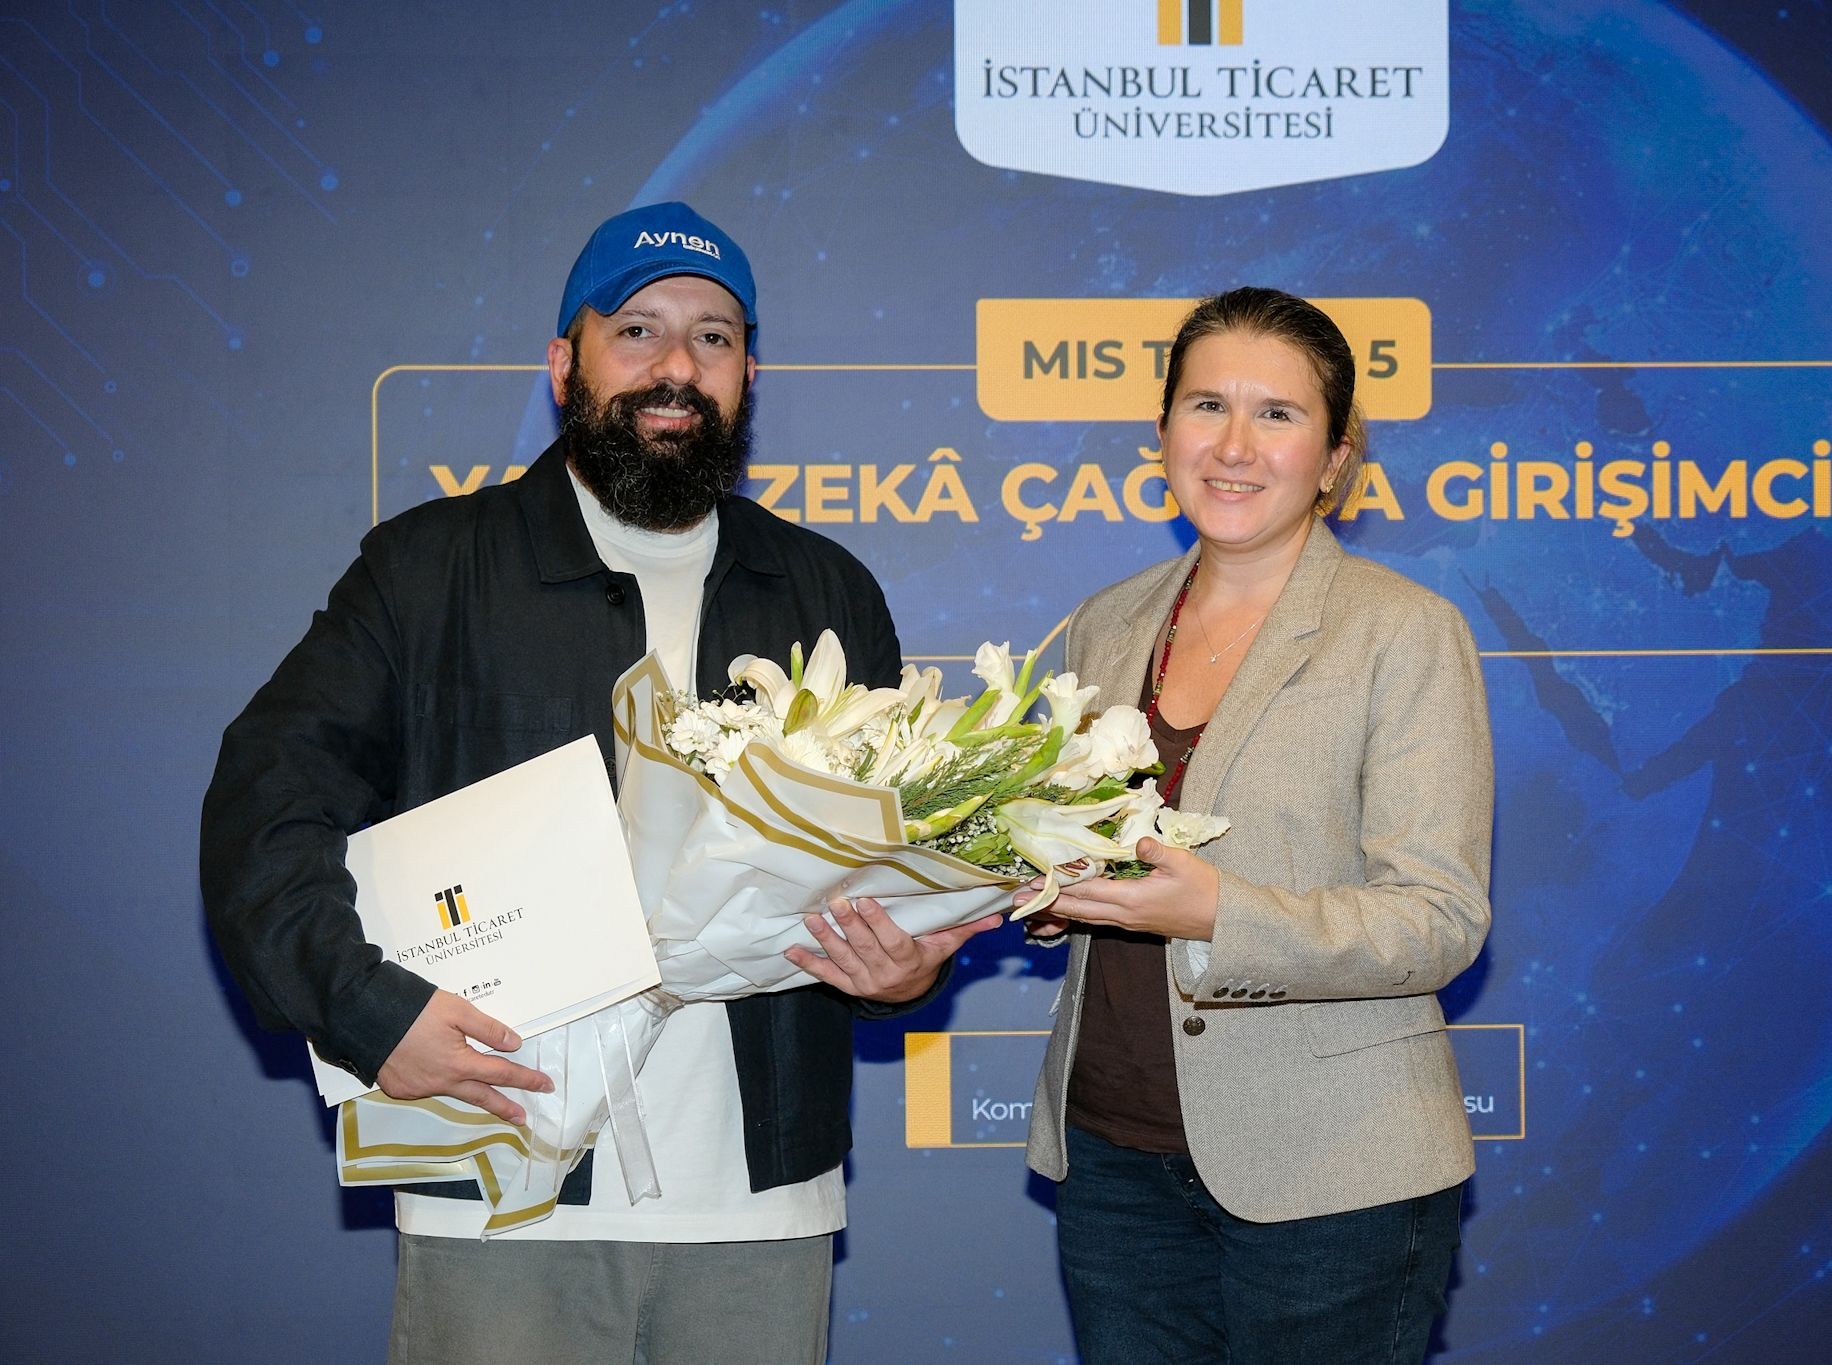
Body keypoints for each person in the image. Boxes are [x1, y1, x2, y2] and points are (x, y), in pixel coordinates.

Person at [200, 200, 999, 1364]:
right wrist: (371, 1015)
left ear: (749, 372)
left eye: (713, 337)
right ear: (562, 361)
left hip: (756, 1207)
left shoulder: (825, 590)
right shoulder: (428, 572)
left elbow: (884, 865)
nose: (676, 367)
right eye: (637, 330)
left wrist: (903, 968)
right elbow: (264, 807)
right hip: (502, 1184)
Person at [1019, 288, 1493, 1364]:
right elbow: (1090, 844)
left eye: (1276, 414)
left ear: (1334, 458)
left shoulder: (1403, 632)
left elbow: (1438, 919)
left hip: (1334, 1168)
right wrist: (1048, 888)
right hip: (1112, 1158)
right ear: (1162, 433)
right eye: (1206, 406)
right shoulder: (1104, 625)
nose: (1234, 446)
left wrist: (1218, 913)